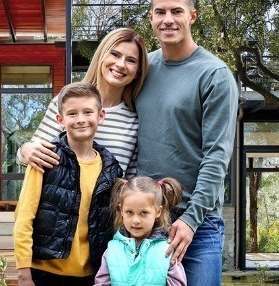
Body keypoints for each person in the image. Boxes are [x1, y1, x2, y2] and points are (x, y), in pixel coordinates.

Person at [135, 0, 239, 285]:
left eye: (177, 11)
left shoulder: (215, 75)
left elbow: (217, 156)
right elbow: (94, 105)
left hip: (198, 224)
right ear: (151, 18)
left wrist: (191, 221)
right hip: (145, 219)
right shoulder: (142, 68)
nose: (168, 20)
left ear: (192, 16)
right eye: (160, 12)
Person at [13, 82, 124, 286]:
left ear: (101, 116)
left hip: (94, 275)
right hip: (45, 273)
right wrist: (23, 271)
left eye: (87, 112)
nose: (81, 119)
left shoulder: (111, 168)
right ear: (60, 120)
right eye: (72, 114)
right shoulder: (45, 159)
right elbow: (24, 217)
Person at [16, 28, 148, 177]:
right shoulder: (66, 102)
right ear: (101, 57)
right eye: (115, 54)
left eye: (131, 60)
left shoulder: (134, 121)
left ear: (137, 71)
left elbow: (129, 183)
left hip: (109, 200)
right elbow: (28, 158)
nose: (121, 64)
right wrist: (25, 150)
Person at [94, 176, 187, 286]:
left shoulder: (167, 251)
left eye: (144, 213)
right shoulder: (112, 251)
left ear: (158, 211)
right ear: (121, 211)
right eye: (129, 212)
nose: (136, 220)